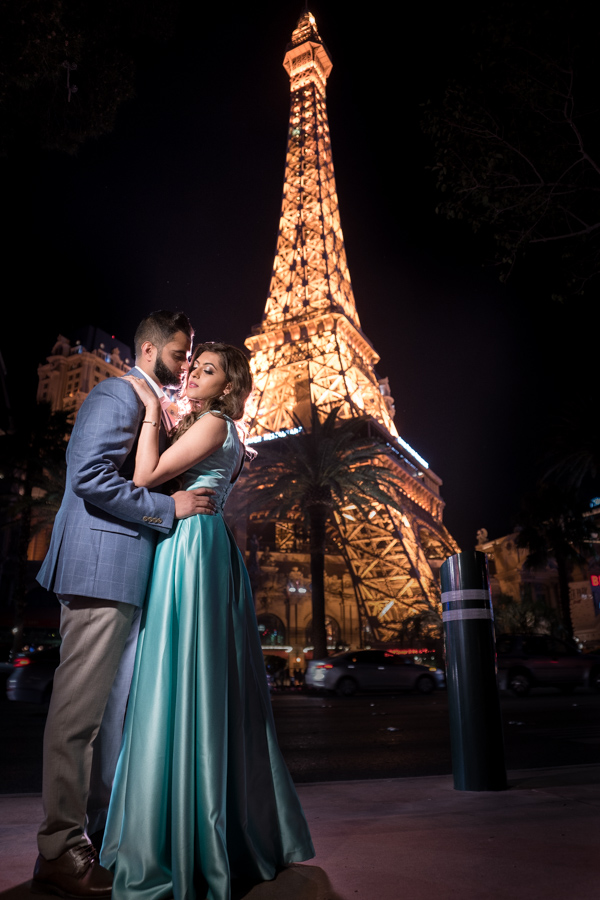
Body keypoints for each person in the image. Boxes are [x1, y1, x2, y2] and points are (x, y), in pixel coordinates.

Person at [100, 342, 314, 900]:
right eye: (193, 366)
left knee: (180, 674)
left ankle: (177, 838)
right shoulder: (214, 428)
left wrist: (151, 413)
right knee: (198, 680)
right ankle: (208, 828)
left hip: (191, 549)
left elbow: (144, 474)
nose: (193, 373)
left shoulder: (215, 424)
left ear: (227, 387)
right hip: (200, 546)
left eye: (207, 370)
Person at [33, 311, 216, 899]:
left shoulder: (152, 405)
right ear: (147, 347)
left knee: (110, 722)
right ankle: (59, 851)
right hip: (99, 569)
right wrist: (170, 509)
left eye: (192, 357)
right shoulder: (117, 392)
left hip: (127, 575)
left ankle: (97, 841)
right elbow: (88, 475)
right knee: (79, 718)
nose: (185, 364)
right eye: (179, 353)